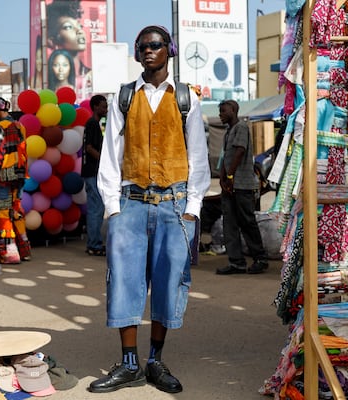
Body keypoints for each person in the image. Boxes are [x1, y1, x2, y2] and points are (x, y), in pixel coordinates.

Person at [89, 25, 210, 394]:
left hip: (175, 204)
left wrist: (192, 207)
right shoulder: (124, 97)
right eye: (142, 46)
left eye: (155, 45)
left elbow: (198, 157)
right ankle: (129, 364)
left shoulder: (186, 97)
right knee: (123, 281)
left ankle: (155, 360)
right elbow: (111, 155)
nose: (147, 51)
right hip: (131, 202)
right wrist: (112, 207)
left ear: (169, 50)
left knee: (168, 282)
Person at [215, 99, 268, 275]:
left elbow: (240, 151)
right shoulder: (228, 132)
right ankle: (236, 262)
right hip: (229, 186)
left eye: (223, 111)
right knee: (230, 223)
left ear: (233, 110)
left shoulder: (241, 127)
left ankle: (260, 259)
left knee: (247, 222)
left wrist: (230, 175)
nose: (220, 114)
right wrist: (223, 177)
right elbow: (225, 157)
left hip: (242, 185)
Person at [0, 97, 32, 263]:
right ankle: (24, 250)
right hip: (20, 174)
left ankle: (9, 253)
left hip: (4, 175)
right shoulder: (20, 126)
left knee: (3, 212)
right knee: (17, 210)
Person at [46, 0, 92, 99]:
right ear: (52, 40)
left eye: (80, 26)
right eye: (68, 27)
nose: (79, 31)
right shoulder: (48, 91)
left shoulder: (88, 76)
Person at [81, 94, 107, 256]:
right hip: (92, 171)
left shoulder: (95, 125)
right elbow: (89, 148)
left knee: (96, 207)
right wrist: (103, 161)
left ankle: (95, 242)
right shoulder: (92, 124)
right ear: (96, 106)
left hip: (92, 171)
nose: (106, 109)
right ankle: (94, 244)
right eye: (103, 106)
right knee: (96, 208)